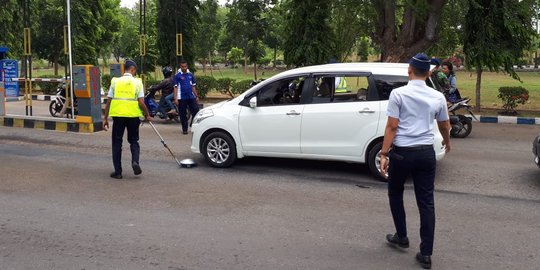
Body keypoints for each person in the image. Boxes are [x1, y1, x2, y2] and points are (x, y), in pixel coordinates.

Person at [379, 53, 451, 269]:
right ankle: (426, 253)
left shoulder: (398, 94)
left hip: (402, 153)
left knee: (395, 192)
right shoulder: (437, 96)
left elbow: (392, 126)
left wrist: (383, 154)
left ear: (409, 70)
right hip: (426, 154)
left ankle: (401, 236)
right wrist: (447, 143)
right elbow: (444, 125)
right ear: (429, 72)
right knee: (426, 202)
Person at [103, 60, 152, 179]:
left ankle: (118, 172)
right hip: (133, 117)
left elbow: (108, 101)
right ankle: (135, 162)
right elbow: (141, 102)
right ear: (133, 69)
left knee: (117, 143)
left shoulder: (115, 81)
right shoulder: (137, 83)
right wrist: (147, 114)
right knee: (134, 141)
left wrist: (105, 118)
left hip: (118, 116)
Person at [173, 60, 200, 135]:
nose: (184, 68)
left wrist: (196, 96)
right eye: (182, 66)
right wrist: (175, 98)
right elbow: (175, 87)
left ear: (187, 66)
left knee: (196, 111)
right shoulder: (177, 76)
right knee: (182, 114)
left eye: (185, 66)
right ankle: (185, 129)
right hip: (181, 98)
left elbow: (193, 86)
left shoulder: (190, 75)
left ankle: (192, 123)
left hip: (191, 97)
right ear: (180, 67)